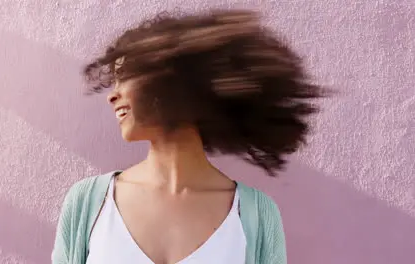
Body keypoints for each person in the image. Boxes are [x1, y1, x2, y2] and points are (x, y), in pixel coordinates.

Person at [52, 9, 325, 264]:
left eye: (125, 77)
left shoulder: (256, 215)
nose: (112, 94)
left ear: (168, 81)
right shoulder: (88, 204)